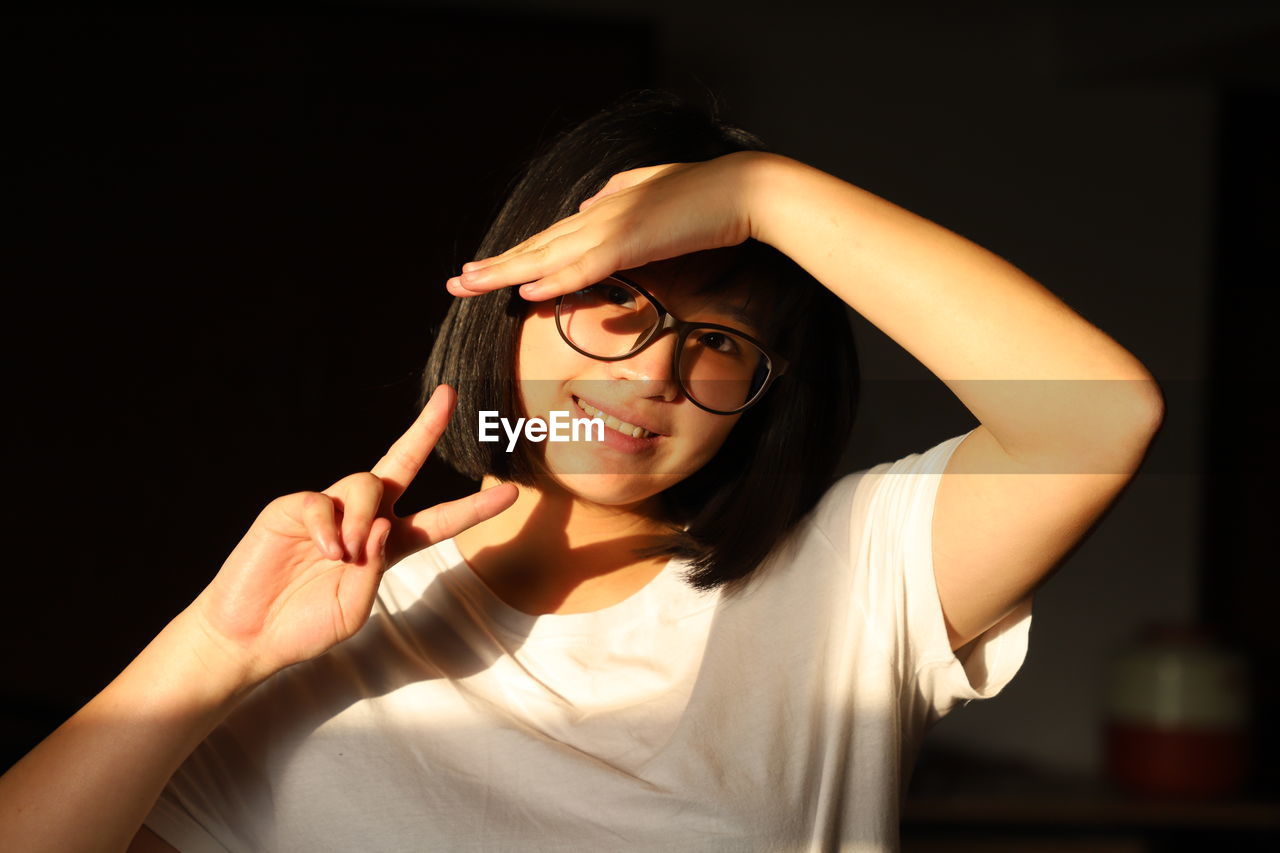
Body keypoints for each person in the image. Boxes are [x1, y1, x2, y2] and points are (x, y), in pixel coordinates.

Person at [0, 90, 1162, 852]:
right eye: (617, 306)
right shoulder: (324, 633)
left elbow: (1097, 416)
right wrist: (216, 647)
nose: (656, 370)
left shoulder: (851, 584)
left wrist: (766, 195)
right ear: (507, 309)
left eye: (717, 341)